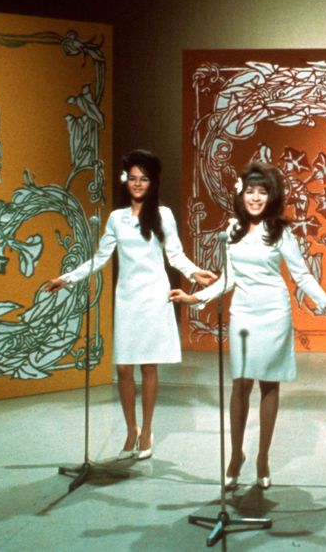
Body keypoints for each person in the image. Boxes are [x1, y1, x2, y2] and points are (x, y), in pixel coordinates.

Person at [170, 162, 326, 490]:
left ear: (272, 196)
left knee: (269, 385)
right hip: (243, 314)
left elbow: (302, 275)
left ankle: (263, 457)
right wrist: (194, 298)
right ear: (242, 194)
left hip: (274, 314)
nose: (256, 198)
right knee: (240, 384)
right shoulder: (232, 230)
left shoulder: (281, 232)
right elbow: (229, 278)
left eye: (263, 191)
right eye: (251, 191)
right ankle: (236, 454)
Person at [45, 149, 217, 460]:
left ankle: (147, 429)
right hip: (127, 298)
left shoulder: (163, 215)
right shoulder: (116, 218)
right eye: (133, 179)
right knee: (124, 368)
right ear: (126, 181)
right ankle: (130, 430)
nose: (138, 184)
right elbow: (100, 258)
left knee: (148, 366)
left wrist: (195, 272)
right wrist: (67, 278)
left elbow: (174, 255)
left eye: (144, 179)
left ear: (153, 182)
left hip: (154, 297)